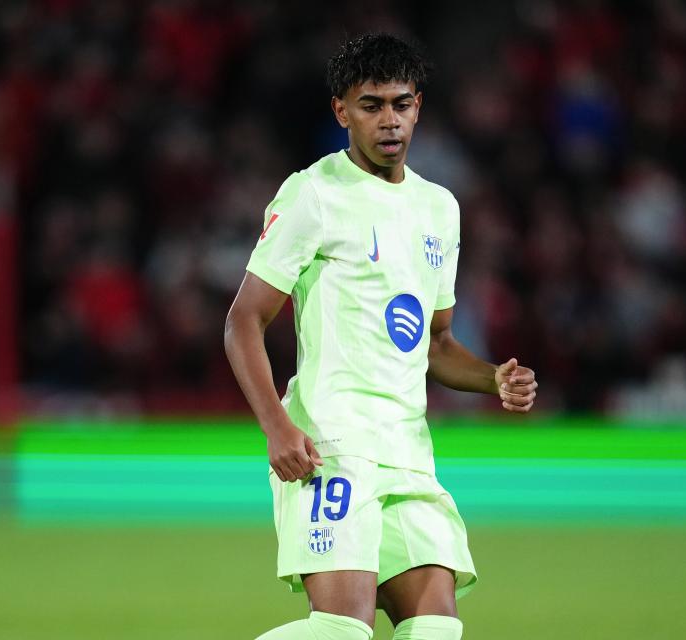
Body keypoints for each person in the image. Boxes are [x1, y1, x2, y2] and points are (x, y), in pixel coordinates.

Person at [224, 33, 537, 640]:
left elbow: (435, 343)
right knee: (343, 629)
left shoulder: (439, 209)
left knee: (437, 629)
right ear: (342, 111)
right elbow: (243, 320)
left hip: (408, 451)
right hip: (332, 443)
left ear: (418, 107)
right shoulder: (314, 193)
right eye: (371, 105)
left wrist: (492, 378)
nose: (389, 120)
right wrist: (277, 427)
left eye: (401, 104)